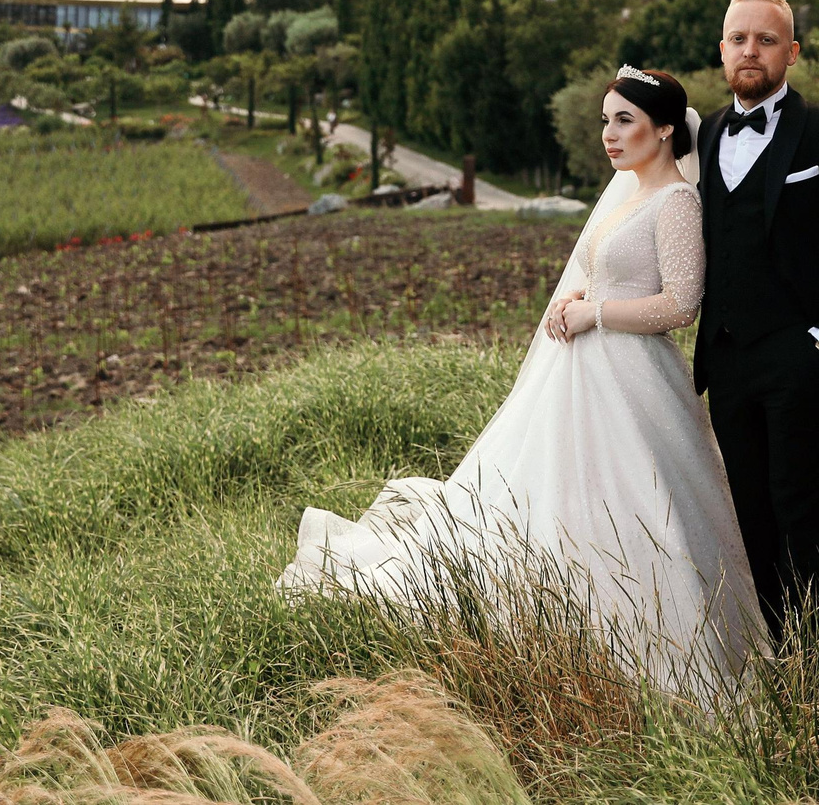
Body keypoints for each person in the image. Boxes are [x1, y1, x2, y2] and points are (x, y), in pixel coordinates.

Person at [278, 66, 765, 700]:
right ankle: (548, 627)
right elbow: (624, 275)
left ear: (666, 130)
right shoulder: (630, 196)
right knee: (549, 496)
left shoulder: (676, 202)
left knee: (638, 506)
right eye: (604, 121)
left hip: (634, 383)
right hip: (582, 374)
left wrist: (594, 311)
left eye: (625, 121)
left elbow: (680, 304)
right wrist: (587, 295)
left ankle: (647, 652)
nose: (609, 135)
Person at [693, 0, 819, 636]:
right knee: (750, 517)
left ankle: (816, 675)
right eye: (739, 38)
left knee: (802, 519)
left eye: (766, 39)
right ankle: (776, 660)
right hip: (726, 362)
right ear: (722, 49)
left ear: (792, 52)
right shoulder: (704, 138)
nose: (751, 50)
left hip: (799, 359)